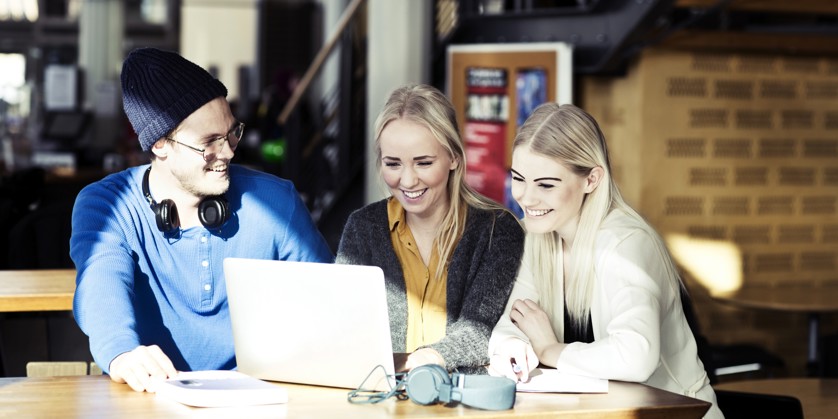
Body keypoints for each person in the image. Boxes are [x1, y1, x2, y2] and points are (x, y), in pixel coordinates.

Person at [71, 48, 333, 392]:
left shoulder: (275, 201)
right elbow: (100, 290)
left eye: (231, 133)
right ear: (161, 144)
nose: (228, 152)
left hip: (257, 396)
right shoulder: (106, 204)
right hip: (150, 396)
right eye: (209, 142)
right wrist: (122, 352)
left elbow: (328, 303)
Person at [487, 103, 723, 418]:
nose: (526, 197)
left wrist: (551, 350)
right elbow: (513, 320)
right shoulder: (539, 236)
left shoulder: (625, 244)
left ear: (592, 180)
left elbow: (635, 356)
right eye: (519, 178)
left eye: (545, 184)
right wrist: (512, 347)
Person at [336, 84, 524, 374]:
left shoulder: (497, 231)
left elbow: (479, 330)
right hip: (378, 399)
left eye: (423, 163)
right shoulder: (363, 227)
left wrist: (413, 362)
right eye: (393, 164)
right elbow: (343, 324)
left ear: (454, 158)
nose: (408, 180)